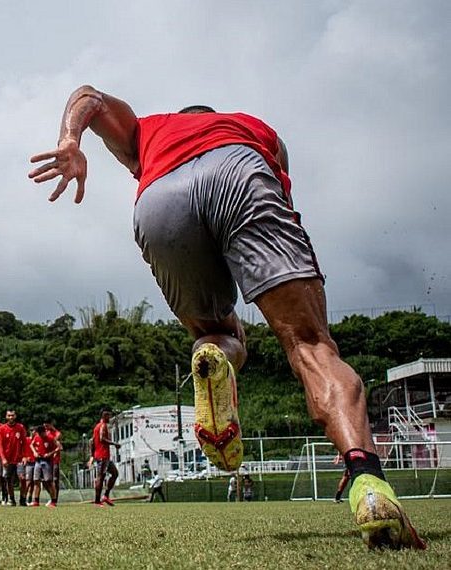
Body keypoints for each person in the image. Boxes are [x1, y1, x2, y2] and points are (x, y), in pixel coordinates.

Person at [29, 86, 424, 549]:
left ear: (181, 117)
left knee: (215, 333)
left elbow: (89, 97)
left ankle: (214, 354)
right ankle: (367, 480)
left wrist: (70, 141)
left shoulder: (147, 132)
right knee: (310, 346)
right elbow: (279, 189)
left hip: (161, 197)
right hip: (242, 172)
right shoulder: (258, 130)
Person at [0, 409, 26, 507]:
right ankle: (12, 499)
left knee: (22, 478)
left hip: (19, 458)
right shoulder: (1, 429)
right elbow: (0, 445)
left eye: (12, 415)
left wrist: (25, 456)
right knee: (9, 480)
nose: (11, 417)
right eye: (9, 415)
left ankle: (23, 499)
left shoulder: (20, 427)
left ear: (15, 416)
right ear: (6, 417)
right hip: (7, 460)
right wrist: (3, 458)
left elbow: (25, 443)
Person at [92, 410, 120, 507]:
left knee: (115, 473)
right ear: (105, 416)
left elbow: (92, 442)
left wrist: (92, 455)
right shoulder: (102, 425)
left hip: (103, 456)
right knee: (101, 477)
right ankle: (97, 501)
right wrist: (114, 443)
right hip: (102, 455)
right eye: (109, 416)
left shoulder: (96, 427)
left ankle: (106, 496)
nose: (109, 418)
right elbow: (101, 439)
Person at [30, 424, 61, 507]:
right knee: (36, 480)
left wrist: (50, 453)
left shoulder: (50, 438)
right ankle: (36, 500)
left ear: (45, 432)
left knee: (49, 481)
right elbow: (31, 445)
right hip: (38, 461)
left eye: (41, 433)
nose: (40, 435)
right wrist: (34, 452)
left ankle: (54, 501)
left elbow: (59, 447)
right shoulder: (36, 437)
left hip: (47, 461)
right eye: (38, 433)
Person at [44, 419, 62, 504]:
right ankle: (52, 496)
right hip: (46, 460)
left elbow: (57, 444)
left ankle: (55, 500)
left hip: (55, 459)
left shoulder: (57, 433)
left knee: (55, 480)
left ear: (51, 425)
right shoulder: (45, 432)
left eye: (47, 426)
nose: (45, 428)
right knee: (45, 480)